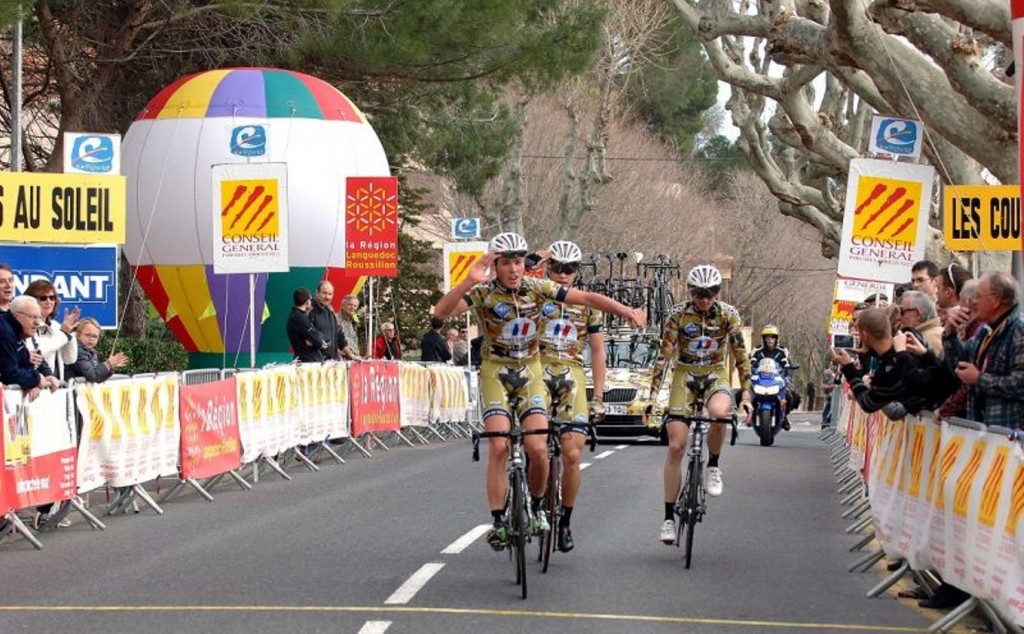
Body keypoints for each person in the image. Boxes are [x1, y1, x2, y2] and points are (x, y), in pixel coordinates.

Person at [433, 232, 644, 551]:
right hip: (496, 372)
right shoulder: (483, 293)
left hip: (531, 372)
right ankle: (499, 522)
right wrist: (468, 280)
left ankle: (535, 505)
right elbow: (441, 312)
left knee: (538, 448)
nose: (514, 270)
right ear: (496, 265)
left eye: (519, 262)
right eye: (507, 263)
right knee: (500, 446)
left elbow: (586, 299)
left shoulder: (538, 288)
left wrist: (625, 310)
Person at [649, 264, 752, 545]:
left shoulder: (729, 315)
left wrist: (745, 396)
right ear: (690, 291)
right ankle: (668, 518)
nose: (705, 299)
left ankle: (714, 465)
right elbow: (664, 356)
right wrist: (652, 397)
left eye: (711, 293)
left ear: (718, 292)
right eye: (699, 293)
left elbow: (741, 358)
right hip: (685, 373)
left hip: (715, 373)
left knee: (719, 413)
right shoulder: (678, 315)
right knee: (676, 445)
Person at [537, 240, 606, 553]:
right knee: (533, 446)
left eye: (570, 269)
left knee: (573, 455)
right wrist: (536, 260)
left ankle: (565, 522)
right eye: (557, 268)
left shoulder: (586, 302)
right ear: (548, 268)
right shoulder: (534, 291)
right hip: (536, 369)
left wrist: (599, 396)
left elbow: (598, 350)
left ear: (577, 271)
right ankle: (533, 501)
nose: (563, 275)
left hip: (572, 374)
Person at [943, 272, 1024, 428]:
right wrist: (950, 334)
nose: (974, 302)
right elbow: (959, 367)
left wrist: (979, 379)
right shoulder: (985, 331)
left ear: (995, 300)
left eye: (979, 296)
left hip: (1008, 436)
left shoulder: (1018, 332)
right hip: (982, 432)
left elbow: (1020, 384)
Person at [0, 296, 61, 400]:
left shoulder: (15, 331)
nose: (37, 322)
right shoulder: (5, 333)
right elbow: (10, 375)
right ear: (16, 316)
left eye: (39, 317)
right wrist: (36, 379)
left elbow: (25, 364)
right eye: (32, 317)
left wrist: (39, 380)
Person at [24, 280, 80, 381]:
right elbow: (39, 353)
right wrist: (64, 333)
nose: (49, 301)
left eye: (52, 298)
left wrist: (69, 332)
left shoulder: (56, 326)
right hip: (33, 384)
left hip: (54, 385)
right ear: (31, 300)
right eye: (43, 298)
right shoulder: (25, 324)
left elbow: (70, 359)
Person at [750, 324, 795, 429]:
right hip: (760, 380)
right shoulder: (756, 350)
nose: (770, 339)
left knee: (789, 395)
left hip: (776, 380)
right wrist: (748, 374)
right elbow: (749, 364)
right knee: (743, 394)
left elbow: (788, 365)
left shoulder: (782, 351)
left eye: (773, 337)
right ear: (763, 338)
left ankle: (784, 416)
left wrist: (788, 377)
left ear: (777, 338)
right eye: (767, 337)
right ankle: (749, 415)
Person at [66, 318, 129, 383]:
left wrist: (111, 366)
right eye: (88, 335)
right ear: (78, 335)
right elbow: (93, 376)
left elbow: (98, 378)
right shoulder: (77, 350)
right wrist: (108, 364)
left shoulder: (91, 351)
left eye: (95, 336)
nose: (91, 339)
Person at [308, 281, 350, 361]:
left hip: (331, 361)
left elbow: (339, 334)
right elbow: (306, 336)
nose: (327, 297)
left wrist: (351, 354)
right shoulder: (309, 310)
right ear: (317, 292)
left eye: (330, 294)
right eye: (324, 293)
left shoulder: (330, 310)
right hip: (314, 363)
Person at [285, 288, 328, 362]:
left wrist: (314, 341)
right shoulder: (299, 317)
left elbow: (316, 335)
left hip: (309, 360)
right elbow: (316, 340)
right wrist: (318, 341)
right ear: (307, 301)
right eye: (310, 299)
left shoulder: (299, 315)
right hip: (308, 362)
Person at [898, 290, 943, 358]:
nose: (899, 317)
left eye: (902, 312)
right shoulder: (939, 333)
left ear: (917, 314)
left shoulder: (926, 339)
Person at [338, 295, 362, 360]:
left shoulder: (353, 322)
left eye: (355, 306)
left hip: (354, 359)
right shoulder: (336, 320)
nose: (352, 307)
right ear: (343, 305)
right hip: (341, 360)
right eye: (350, 304)